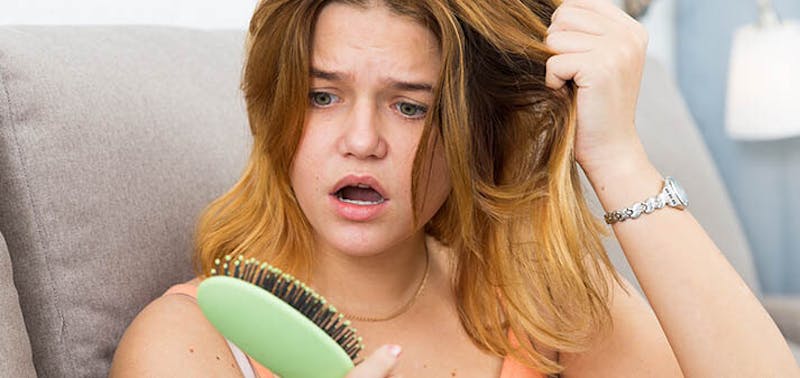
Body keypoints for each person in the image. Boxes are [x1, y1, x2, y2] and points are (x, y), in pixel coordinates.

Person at [110, 0, 800, 377]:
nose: (360, 140)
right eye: (323, 96)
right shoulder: (190, 343)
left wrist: (616, 153)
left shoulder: (533, 308)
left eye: (410, 106)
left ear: (472, 133)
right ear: (277, 110)